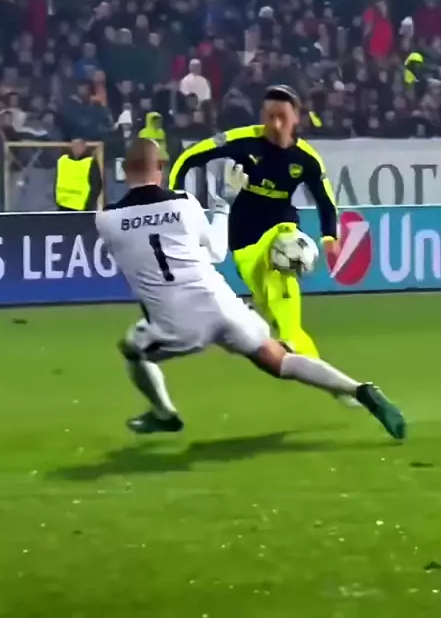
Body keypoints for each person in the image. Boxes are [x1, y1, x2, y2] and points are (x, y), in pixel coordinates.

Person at [95, 137, 406, 440]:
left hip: (177, 319)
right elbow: (217, 252)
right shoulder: (183, 203)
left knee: (133, 350)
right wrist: (225, 203)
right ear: (160, 167)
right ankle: (359, 389)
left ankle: (164, 412)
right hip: (223, 303)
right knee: (280, 360)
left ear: (124, 170)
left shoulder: (107, 219)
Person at [169, 85, 338, 359]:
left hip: (281, 222)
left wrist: (330, 235)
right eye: (270, 116)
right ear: (262, 116)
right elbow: (188, 157)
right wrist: (174, 196)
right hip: (244, 234)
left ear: (296, 118)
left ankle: (288, 339)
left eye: (282, 117)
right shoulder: (243, 140)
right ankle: (315, 366)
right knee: (273, 308)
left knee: (284, 252)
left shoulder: (307, 159)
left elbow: (325, 199)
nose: (276, 124)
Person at [55, 138, 102, 211]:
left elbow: (96, 186)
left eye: (79, 146)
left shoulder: (90, 163)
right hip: (63, 206)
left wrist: (88, 207)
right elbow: (56, 181)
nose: (76, 149)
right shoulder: (62, 161)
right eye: (74, 146)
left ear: (84, 148)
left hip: (83, 208)